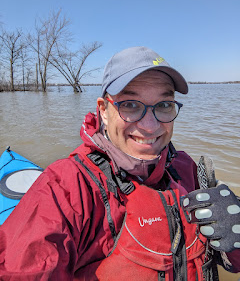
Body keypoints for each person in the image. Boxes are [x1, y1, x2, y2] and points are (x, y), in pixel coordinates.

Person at [0, 46, 239, 280]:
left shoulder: (188, 169)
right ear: (103, 110)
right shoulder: (66, 188)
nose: (150, 126)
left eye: (164, 105)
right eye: (130, 105)